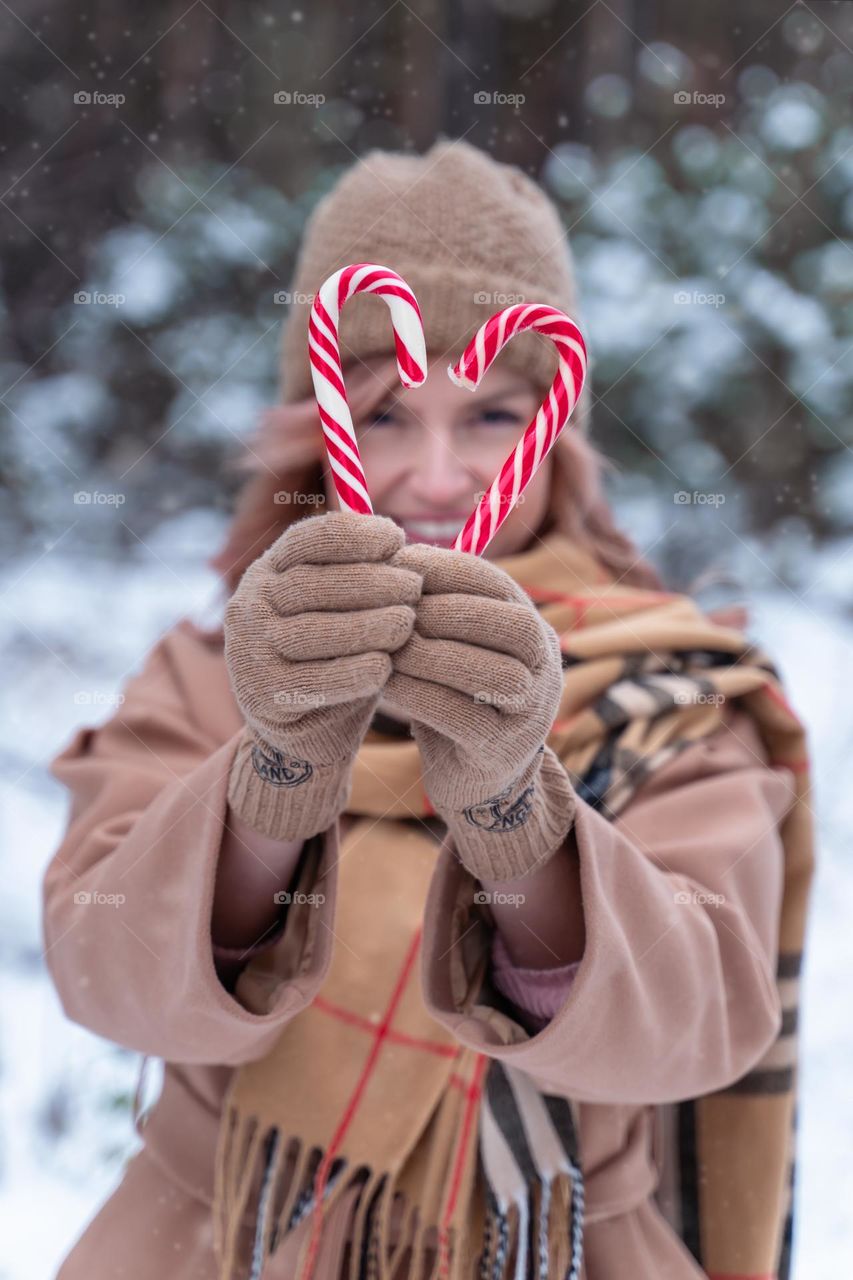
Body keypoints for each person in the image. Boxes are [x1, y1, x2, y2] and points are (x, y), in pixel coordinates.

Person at [42, 139, 815, 1280]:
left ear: (560, 432)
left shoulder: (674, 697)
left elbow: (694, 1018)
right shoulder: (212, 674)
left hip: (557, 1246)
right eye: (387, 416)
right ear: (316, 430)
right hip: (209, 1234)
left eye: (495, 415)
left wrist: (513, 816)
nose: (442, 477)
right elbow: (102, 966)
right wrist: (279, 777)